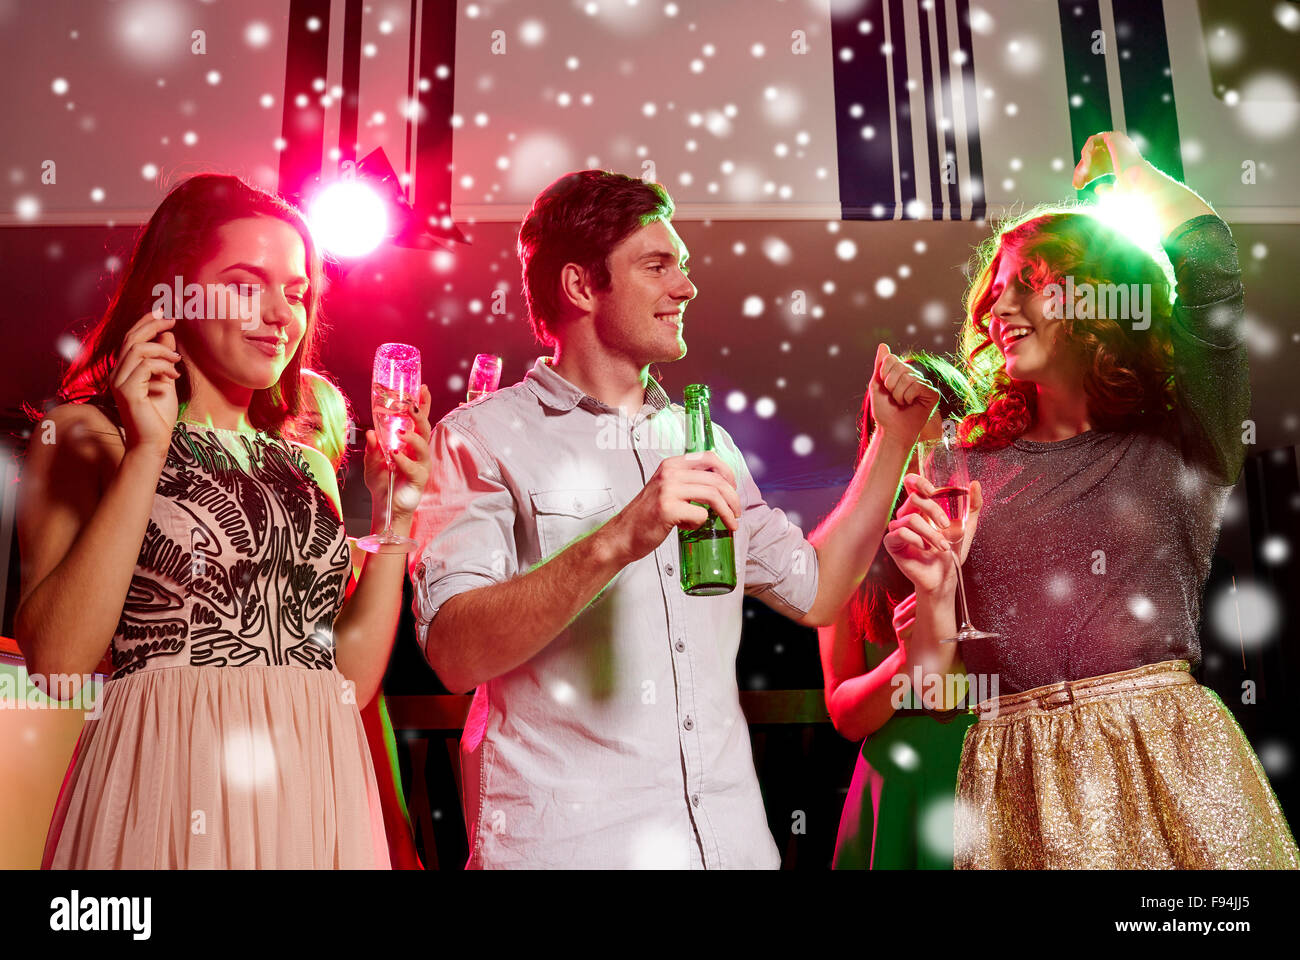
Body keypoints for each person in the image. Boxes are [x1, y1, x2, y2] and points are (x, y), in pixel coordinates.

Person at [408, 170, 939, 868]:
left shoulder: (705, 442)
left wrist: (893, 440)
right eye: (657, 266)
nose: (685, 287)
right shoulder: (479, 439)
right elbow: (454, 653)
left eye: (682, 266)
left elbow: (817, 589)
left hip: (728, 848)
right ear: (578, 286)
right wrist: (619, 538)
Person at [883, 131, 1299, 868]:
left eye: (1028, 281)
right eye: (996, 288)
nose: (996, 309)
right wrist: (937, 602)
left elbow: (1210, 263)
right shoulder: (953, 467)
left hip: (1167, 766)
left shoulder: (1184, 435)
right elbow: (934, 695)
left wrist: (1133, 172)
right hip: (1013, 789)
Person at [16, 173, 432, 868]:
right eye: (247, 284)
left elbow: (347, 682)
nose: (279, 314)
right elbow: (58, 663)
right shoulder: (87, 435)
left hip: (314, 778)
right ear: (174, 294)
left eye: (296, 293)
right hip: (172, 779)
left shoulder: (310, 466)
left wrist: (396, 518)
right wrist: (149, 449)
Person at [822, 352, 979, 870]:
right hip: (893, 788)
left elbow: (957, 698)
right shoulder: (849, 549)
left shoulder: (1004, 537)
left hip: (985, 771)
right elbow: (844, 713)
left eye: (938, 448)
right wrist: (902, 662)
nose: (923, 471)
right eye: (905, 446)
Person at [287, 367, 424, 870]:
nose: (303, 438)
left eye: (313, 425)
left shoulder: (353, 551)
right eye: (293, 420)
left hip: (350, 723)